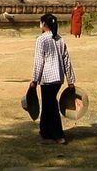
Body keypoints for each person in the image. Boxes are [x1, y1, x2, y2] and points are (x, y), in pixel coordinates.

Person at [29, 12, 76, 144]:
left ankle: (58, 134)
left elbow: (39, 61)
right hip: (58, 78)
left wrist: (34, 80)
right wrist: (70, 80)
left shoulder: (41, 39)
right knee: (47, 104)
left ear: (44, 24)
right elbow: (66, 60)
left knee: (51, 106)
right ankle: (45, 131)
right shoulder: (60, 39)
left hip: (47, 77)